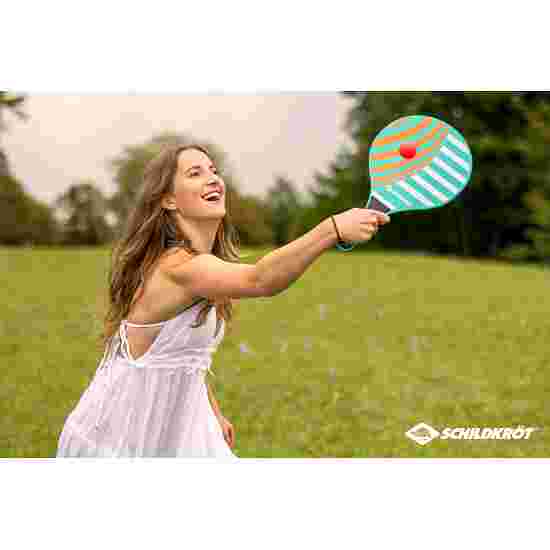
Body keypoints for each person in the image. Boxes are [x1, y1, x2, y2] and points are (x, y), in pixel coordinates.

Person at [55, 143, 390, 458]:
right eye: (195, 173)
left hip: (176, 431)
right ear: (169, 200)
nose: (213, 178)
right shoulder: (178, 266)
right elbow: (260, 279)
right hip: (115, 437)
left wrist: (211, 410)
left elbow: (180, 357)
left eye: (213, 170)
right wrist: (330, 229)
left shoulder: (197, 266)